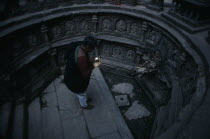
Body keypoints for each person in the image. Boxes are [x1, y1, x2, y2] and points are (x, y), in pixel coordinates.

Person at [64, 36, 101, 110]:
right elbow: (86, 74)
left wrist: (91, 60)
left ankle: (83, 100)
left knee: (80, 93)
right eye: (91, 48)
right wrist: (96, 64)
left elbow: (84, 61)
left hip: (69, 75)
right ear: (87, 46)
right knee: (81, 94)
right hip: (74, 81)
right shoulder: (81, 58)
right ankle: (84, 105)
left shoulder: (79, 45)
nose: (92, 50)